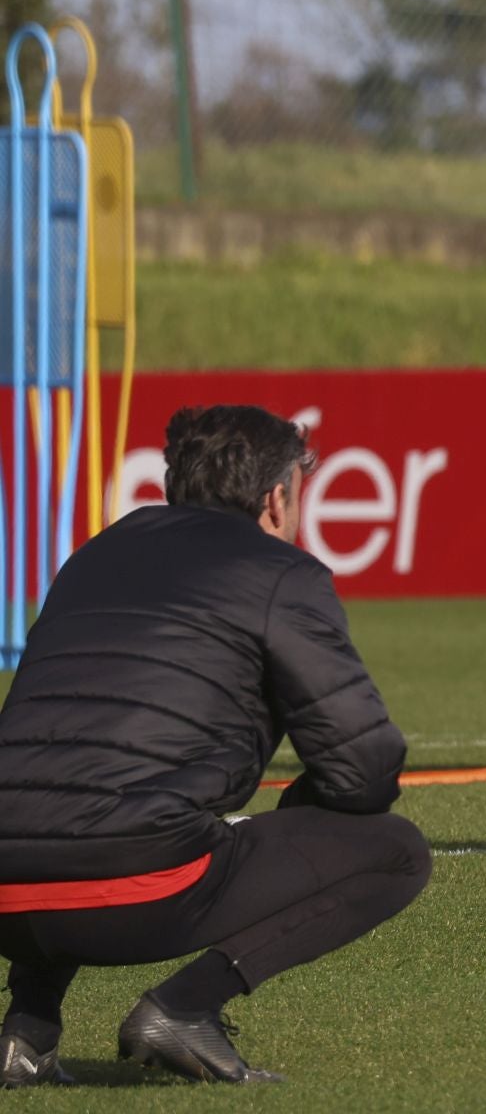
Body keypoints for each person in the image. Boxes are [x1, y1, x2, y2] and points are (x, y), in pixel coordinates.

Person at [0, 405, 429, 1085]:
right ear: (276, 497)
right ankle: (183, 1008)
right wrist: (307, 814)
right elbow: (364, 765)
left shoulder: (93, 555)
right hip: (135, 891)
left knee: (73, 789)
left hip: (7, 898)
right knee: (396, 852)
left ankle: (26, 1032)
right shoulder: (283, 575)